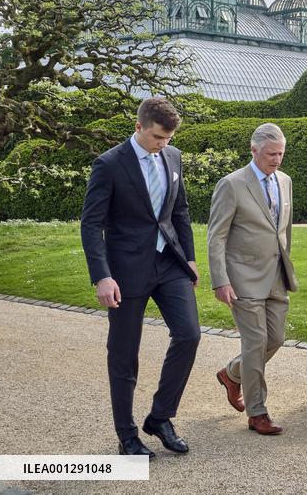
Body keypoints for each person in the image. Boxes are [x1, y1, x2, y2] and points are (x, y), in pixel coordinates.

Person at [80, 97, 201, 459]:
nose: (162, 144)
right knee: (124, 355)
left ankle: (160, 417)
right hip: (125, 271)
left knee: (189, 335)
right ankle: (127, 436)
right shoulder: (109, 164)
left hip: (170, 264)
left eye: (168, 138)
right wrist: (102, 275)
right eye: (156, 137)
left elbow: (179, 210)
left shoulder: (173, 157)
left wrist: (190, 258)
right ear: (138, 127)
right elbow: (91, 224)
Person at [208, 123, 298, 436]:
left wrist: (287, 267)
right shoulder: (232, 184)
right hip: (242, 276)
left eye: (281, 153)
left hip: (276, 275)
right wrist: (220, 280)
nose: (277, 159)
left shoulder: (285, 181)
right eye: (271, 154)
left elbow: (283, 230)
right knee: (256, 341)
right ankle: (257, 412)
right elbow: (216, 236)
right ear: (254, 150)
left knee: (275, 340)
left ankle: (232, 374)